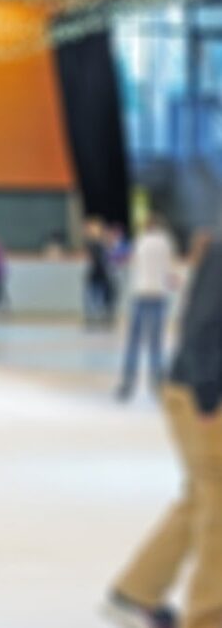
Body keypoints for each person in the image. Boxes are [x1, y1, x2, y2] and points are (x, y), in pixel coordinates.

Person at [103, 235, 222, 628]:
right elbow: (203, 325)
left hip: (197, 391)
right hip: (201, 395)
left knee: (202, 498)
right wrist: (208, 397)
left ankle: (136, 591)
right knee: (218, 505)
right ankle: (208, 616)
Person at [115, 214, 177, 402]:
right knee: (156, 343)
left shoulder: (140, 241)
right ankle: (157, 382)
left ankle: (128, 383)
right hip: (159, 295)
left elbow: (126, 261)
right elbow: (169, 269)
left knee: (134, 342)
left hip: (141, 294)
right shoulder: (166, 242)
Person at [84, 218, 117, 329]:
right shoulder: (93, 245)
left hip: (102, 276)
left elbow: (110, 258)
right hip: (95, 276)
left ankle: (104, 317)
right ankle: (93, 318)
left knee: (102, 299)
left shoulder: (104, 245)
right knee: (93, 299)